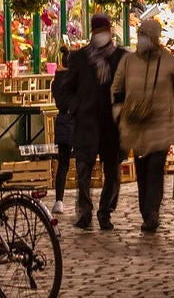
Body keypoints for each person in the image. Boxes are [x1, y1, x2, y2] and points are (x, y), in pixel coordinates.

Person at [113, 15, 174, 234]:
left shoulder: (171, 64)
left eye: (145, 36)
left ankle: (152, 212)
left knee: (155, 168)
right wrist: (119, 111)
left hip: (161, 126)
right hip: (135, 127)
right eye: (140, 35)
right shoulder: (129, 61)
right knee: (142, 171)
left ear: (155, 38)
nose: (142, 40)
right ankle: (146, 210)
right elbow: (117, 89)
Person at [67, 12, 126, 230]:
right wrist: (76, 107)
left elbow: (128, 88)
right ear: (92, 32)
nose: (101, 35)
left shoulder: (121, 57)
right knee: (83, 170)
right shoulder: (80, 58)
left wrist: (122, 109)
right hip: (87, 123)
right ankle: (85, 212)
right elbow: (67, 88)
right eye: (97, 31)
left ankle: (105, 212)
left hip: (112, 125)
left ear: (110, 31)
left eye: (104, 30)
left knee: (112, 172)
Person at [50, 48, 80, 214]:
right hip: (76, 122)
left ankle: (58, 201)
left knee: (63, 164)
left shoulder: (56, 81)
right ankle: (82, 201)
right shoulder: (76, 81)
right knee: (82, 163)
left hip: (62, 122)